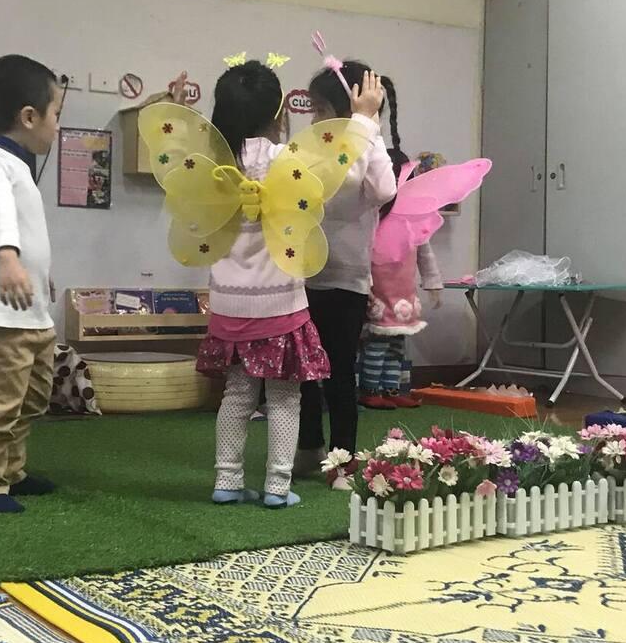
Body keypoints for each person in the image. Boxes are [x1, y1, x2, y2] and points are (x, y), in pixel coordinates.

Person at [189, 62, 386, 508]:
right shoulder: (285, 160)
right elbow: (342, 169)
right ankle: (278, 486)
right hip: (279, 306)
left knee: (237, 395)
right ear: (279, 113)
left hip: (228, 306)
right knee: (283, 397)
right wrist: (364, 120)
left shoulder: (216, 164)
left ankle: (227, 480)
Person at [295, 61, 399, 488]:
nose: (314, 118)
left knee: (339, 372)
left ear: (348, 109)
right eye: (313, 109)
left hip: (347, 280)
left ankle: (343, 460)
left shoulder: (366, 146)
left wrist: (368, 128)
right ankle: (309, 448)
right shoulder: (316, 147)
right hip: (304, 275)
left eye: (321, 109)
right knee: (304, 372)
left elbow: (383, 190)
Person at [0, 55, 61, 514]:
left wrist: (41, 274)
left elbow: (29, 228)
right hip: (0, 316)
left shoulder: (17, 164)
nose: (57, 126)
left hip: (32, 311)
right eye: (56, 113)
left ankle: (14, 471)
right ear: (29, 116)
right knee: (3, 404)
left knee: (34, 398)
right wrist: (6, 256)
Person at [359, 152, 445, 410]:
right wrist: (364, 283)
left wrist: (433, 282)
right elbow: (362, 252)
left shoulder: (413, 215)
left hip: (403, 290)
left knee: (397, 343)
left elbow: (424, 251)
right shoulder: (372, 215)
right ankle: (370, 389)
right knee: (377, 342)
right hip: (380, 290)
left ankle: (391, 388)